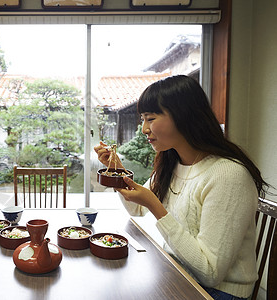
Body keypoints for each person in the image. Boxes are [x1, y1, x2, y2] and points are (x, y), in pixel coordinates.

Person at [94, 75, 270, 300]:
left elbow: (210, 272)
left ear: (183, 116)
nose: (144, 129)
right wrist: (116, 170)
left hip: (216, 292)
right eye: (142, 119)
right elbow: (137, 209)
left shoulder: (227, 174)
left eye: (150, 118)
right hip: (178, 274)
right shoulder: (172, 163)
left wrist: (156, 207)